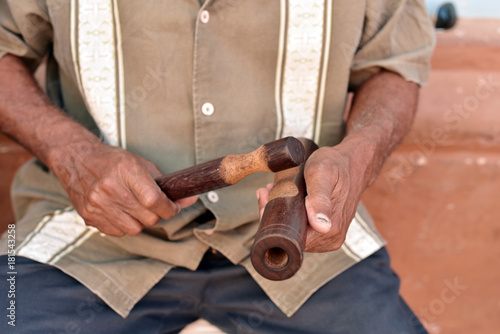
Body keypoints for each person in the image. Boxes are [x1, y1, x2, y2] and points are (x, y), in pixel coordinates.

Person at [0, 1, 435, 333]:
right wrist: (73, 155)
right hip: (89, 241)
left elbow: (395, 63)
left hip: (301, 241)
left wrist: (356, 159)